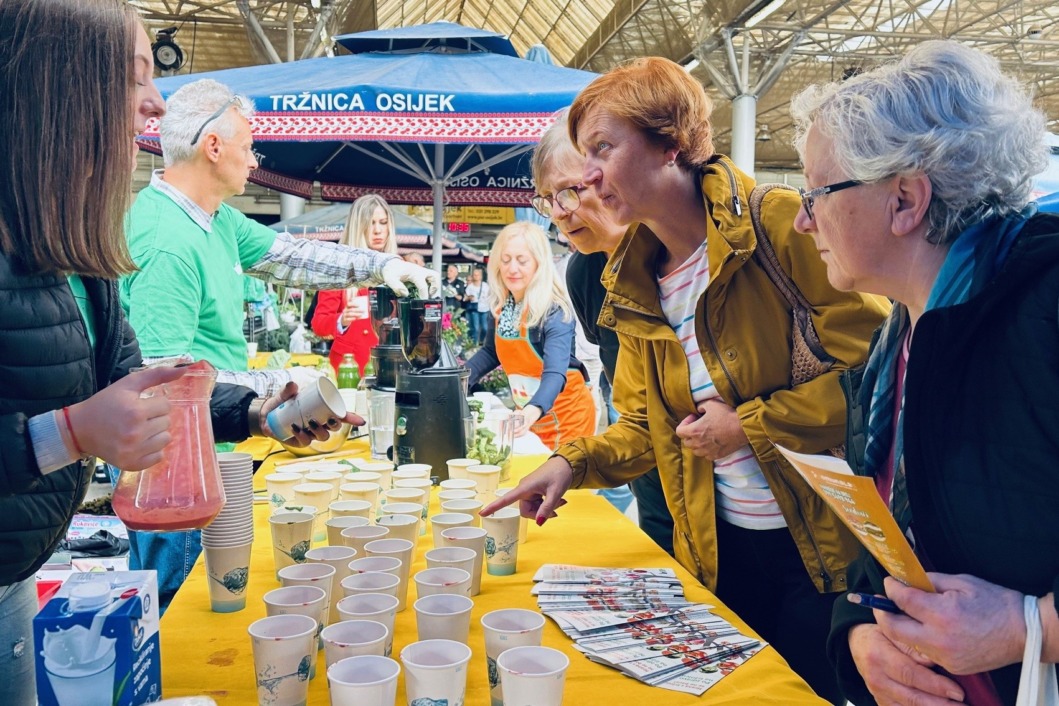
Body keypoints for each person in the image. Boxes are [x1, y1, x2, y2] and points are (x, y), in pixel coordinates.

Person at [483, 57, 890, 703]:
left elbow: (878, 373)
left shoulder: (779, 225)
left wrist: (748, 427)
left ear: (671, 142)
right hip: (717, 545)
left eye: (602, 149)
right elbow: (649, 426)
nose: (586, 176)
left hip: (821, 550)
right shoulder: (632, 277)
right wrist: (571, 462)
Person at [0, 3, 353, 701]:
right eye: (133, 80)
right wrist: (63, 435)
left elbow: (148, 383)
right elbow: (87, 417)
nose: (156, 104)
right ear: (56, 89)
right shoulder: (150, 235)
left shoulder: (77, 247)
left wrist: (259, 414)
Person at [790, 41, 1059, 705]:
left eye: (814, 193)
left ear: (904, 199)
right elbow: (886, 541)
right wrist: (857, 635)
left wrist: (1034, 627)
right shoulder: (895, 343)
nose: (801, 221)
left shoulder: (1044, 306)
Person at [120, 78, 439, 610]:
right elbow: (164, 389)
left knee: (218, 599)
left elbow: (294, 257)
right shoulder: (166, 244)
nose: (254, 160)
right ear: (213, 147)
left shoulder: (213, 219)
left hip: (216, 444)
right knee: (174, 605)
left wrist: (384, 264)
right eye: (248, 146)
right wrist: (281, 385)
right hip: (171, 470)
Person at [531, 108, 676, 557]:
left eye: (570, 192)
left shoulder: (685, 256)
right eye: (548, 199)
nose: (558, 213)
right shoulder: (584, 269)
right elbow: (624, 385)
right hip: (648, 460)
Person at [465, 222, 597, 450]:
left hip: (568, 420)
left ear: (539, 263)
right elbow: (491, 352)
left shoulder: (555, 311)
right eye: (505, 260)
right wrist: (459, 379)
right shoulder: (500, 306)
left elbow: (555, 372)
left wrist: (533, 409)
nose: (512, 268)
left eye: (521, 260)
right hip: (529, 418)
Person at [312, 194, 397, 375]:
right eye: (370, 223)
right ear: (358, 226)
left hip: (390, 363)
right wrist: (342, 319)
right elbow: (319, 324)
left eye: (383, 222)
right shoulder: (338, 266)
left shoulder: (399, 267)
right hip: (349, 367)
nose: (378, 230)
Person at [462, 266, 489, 345]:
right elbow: (465, 298)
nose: (475, 276)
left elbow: (490, 296)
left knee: (485, 328)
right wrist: (469, 297)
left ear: (481, 276)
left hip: (485, 308)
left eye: (477, 275)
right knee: (475, 328)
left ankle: (481, 341)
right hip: (474, 309)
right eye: (474, 275)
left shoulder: (485, 286)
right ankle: (474, 344)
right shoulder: (470, 287)